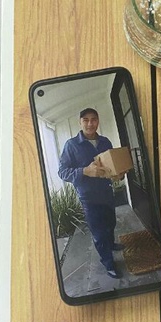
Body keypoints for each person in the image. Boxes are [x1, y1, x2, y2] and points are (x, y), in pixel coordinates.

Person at [58, 108, 124, 278]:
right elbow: (62, 172)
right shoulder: (71, 145)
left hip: (107, 192)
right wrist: (84, 171)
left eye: (93, 119)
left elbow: (112, 165)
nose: (90, 123)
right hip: (89, 198)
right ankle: (108, 262)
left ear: (98, 121)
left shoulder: (105, 141)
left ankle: (111, 245)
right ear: (80, 123)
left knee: (110, 223)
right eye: (86, 120)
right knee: (99, 233)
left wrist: (118, 173)